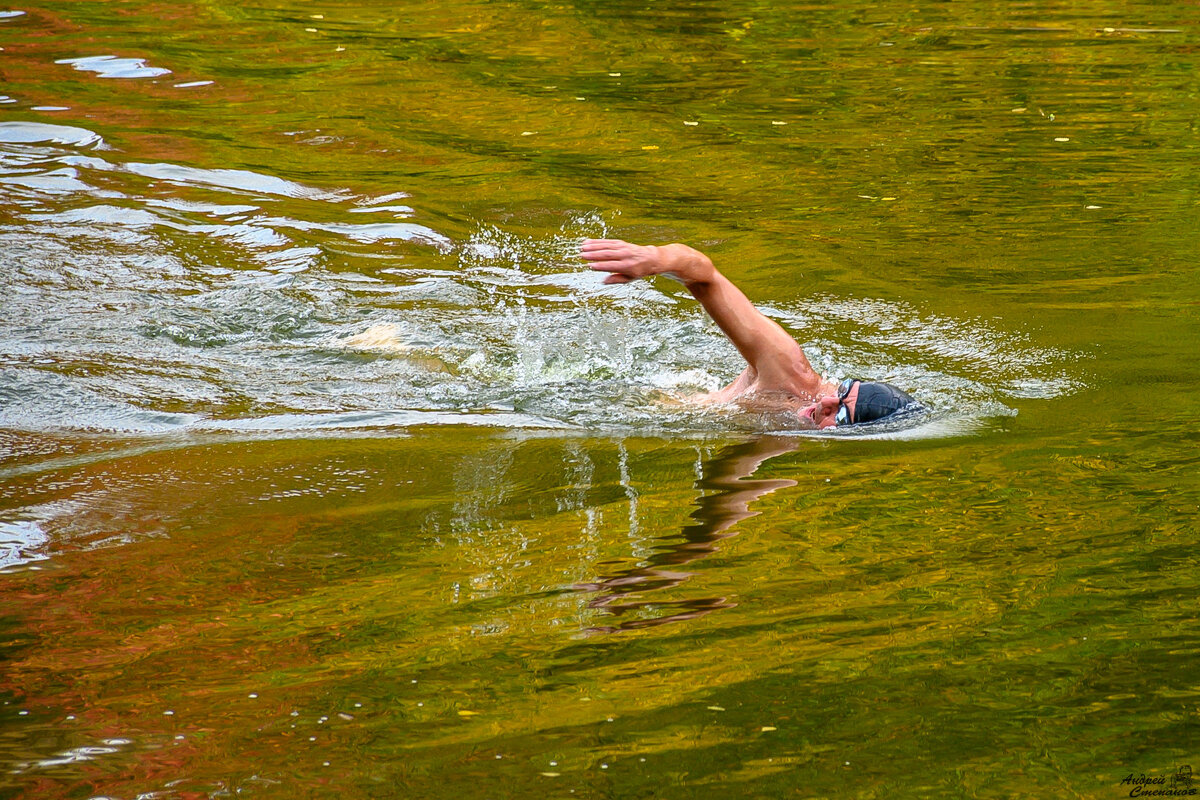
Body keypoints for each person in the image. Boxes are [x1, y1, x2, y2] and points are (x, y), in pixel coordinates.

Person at [579, 238, 919, 429]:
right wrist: (654, 257)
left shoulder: (787, 438)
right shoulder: (790, 373)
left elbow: (733, 489)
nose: (826, 402)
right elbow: (703, 274)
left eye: (843, 414)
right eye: (843, 391)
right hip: (603, 399)